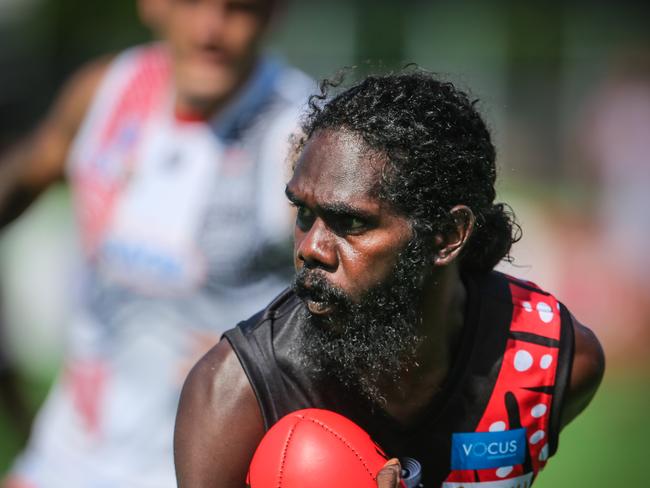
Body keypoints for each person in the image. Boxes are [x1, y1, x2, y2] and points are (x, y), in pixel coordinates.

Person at [174, 71, 605, 488]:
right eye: (304, 213)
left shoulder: (550, 365)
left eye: (351, 222)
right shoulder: (234, 395)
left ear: (449, 236)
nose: (310, 248)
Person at [1, 0, 313, 486]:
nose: (210, 29)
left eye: (240, 8)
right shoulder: (105, 90)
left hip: (202, 470)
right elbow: (21, 178)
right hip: (65, 459)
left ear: (277, 11)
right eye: (192, 3)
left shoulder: (303, 136)